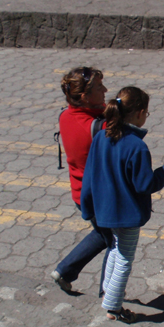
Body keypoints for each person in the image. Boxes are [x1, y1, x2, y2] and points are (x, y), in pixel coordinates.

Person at [81, 87, 164, 323]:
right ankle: (113, 306)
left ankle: (108, 292)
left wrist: (87, 208)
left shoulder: (100, 137)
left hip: (104, 211)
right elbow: (145, 184)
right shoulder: (137, 147)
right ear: (139, 114)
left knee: (115, 250)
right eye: (146, 113)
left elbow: (89, 176)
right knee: (125, 258)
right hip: (126, 215)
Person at [50, 67, 110, 294]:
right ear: (84, 97)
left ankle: (64, 271)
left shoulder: (66, 115)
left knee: (103, 234)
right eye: (99, 87)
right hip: (99, 198)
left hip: (80, 193)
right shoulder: (97, 127)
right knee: (115, 243)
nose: (105, 90)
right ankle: (110, 295)